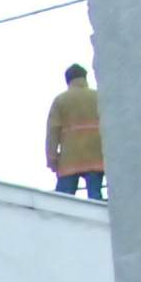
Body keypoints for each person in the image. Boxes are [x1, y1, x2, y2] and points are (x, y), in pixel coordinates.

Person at [47, 63, 105, 200]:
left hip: (69, 160)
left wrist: (52, 159)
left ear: (67, 80)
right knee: (95, 199)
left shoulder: (60, 101)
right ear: (85, 78)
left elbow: (53, 131)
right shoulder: (98, 97)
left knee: (63, 202)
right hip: (96, 157)